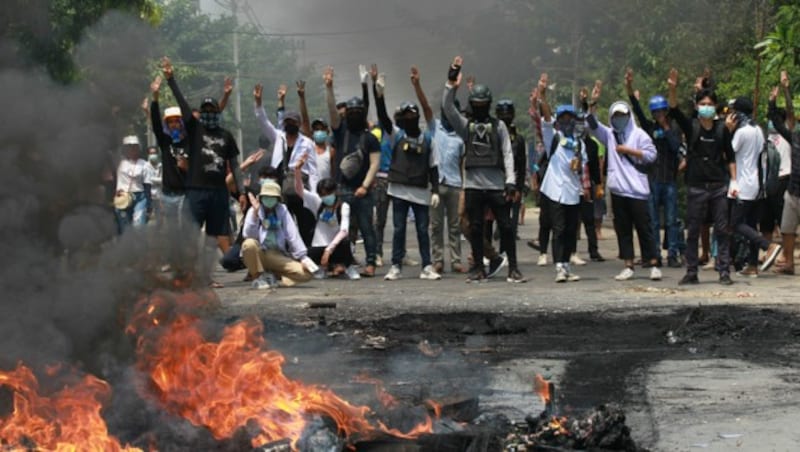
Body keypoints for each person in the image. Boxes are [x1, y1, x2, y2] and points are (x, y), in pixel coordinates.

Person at [442, 56, 524, 283]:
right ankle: (478, 268)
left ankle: (513, 268)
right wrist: (451, 80)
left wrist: (510, 181)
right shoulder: (465, 126)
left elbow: (507, 153)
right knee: (476, 228)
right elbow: (448, 108)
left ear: (489, 104)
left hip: (497, 184)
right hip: (473, 186)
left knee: (506, 227)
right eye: (475, 105)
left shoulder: (498, 126)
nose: (479, 109)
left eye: (482, 105)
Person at [163, 57, 246, 262]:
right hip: (196, 190)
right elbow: (183, 104)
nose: (209, 114)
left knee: (213, 236)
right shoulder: (195, 130)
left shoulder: (226, 135)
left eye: (212, 111)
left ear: (218, 113)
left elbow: (234, 164)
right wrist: (171, 79)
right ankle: (187, 272)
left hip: (218, 192)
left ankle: (206, 276)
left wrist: (241, 191)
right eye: (205, 111)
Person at [587, 80, 661, 281]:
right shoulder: (609, 135)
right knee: (623, 230)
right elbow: (591, 124)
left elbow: (651, 155)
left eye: (622, 116)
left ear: (629, 116)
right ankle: (628, 264)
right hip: (618, 191)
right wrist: (593, 102)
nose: (619, 119)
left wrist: (629, 151)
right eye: (616, 116)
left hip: (637, 190)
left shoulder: (639, 134)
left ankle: (653, 262)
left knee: (645, 229)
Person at [668, 68, 735, 285]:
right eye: (702, 104)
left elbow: (731, 157)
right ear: (697, 107)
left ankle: (724, 270)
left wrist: (733, 182)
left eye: (709, 104)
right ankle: (691, 271)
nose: (706, 108)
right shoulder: (692, 127)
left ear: (715, 107)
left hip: (718, 186)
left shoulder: (721, 130)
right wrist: (672, 88)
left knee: (722, 230)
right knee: (693, 230)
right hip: (696, 186)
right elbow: (674, 110)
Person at [376, 66, 442, 281]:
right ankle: (395, 265)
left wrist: (436, 191)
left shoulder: (427, 139)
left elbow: (433, 165)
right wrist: (379, 96)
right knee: (398, 230)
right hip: (399, 189)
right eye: (407, 115)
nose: (410, 118)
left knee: (423, 230)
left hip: (421, 191)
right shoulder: (397, 135)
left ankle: (427, 265)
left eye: (413, 114)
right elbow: (384, 119)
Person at [324, 65, 381, 277]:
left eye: (358, 111)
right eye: (352, 112)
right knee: (341, 230)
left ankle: (371, 263)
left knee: (367, 229)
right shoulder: (340, 132)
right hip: (343, 188)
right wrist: (328, 88)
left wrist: (365, 186)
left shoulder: (370, 137)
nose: (355, 114)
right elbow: (332, 113)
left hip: (363, 191)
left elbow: (375, 164)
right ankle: (341, 262)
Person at [625, 68, 684, 268]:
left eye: (662, 111)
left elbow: (676, 147)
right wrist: (630, 89)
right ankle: (655, 254)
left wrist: (666, 129)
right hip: (653, 179)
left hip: (670, 180)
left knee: (671, 221)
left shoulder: (673, 128)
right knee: (653, 222)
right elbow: (637, 110)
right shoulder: (649, 128)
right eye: (656, 112)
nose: (659, 115)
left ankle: (673, 254)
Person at [254, 83, 318, 247]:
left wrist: (314, 193)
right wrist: (258, 102)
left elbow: (313, 170)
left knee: (306, 225)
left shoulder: (307, 143)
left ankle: (308, 256)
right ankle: (286, 255)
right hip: (280, 188)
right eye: (287, 121)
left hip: (300, 188)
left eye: (293, 122)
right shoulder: (278, 137)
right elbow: (263, 122)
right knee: (283, 225)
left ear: (298, 124)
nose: (290, 124)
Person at [726, 97, 783, 276]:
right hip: (757, 183)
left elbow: (728, 153)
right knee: (750, 223)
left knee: (735, 224)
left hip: (743, 184)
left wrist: (728, 132)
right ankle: (752, 265)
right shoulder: (757, 129)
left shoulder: (742, 133)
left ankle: (769, 246)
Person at [537, 78, 586, 282]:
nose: (567, 122)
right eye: (563, 118)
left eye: (570, 118)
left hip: (573, 192)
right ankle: (558, 266)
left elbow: (582, 167)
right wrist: (542, 96)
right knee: (558, 229)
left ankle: (566, 264)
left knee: (569, 230)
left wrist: (579, 165)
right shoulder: (554, 138)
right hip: (556, 191)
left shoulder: (579, 144)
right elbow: (546, 120)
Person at [242, 181, 316, 289]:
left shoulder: (282, 210)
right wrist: (255, 214)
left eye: (273, 197)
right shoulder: (254, 210)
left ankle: (275, 276)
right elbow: (247, 235)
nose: (269, 199)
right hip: (260, 252)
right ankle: (257, 277)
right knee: (248, 244)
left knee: (307, 273)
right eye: (266, 197)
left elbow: (293, 235)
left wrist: (303, 258)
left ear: (278, 199)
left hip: (276, 254)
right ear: (261, 197)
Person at [293, 159, 359, 280]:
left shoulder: (343, 206)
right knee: (306, 254)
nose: (325, 197)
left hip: (336, 247)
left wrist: (329, 250)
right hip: (319, 246)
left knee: (345, 243)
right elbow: (300, 191)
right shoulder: (318, 204)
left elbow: (344, 231)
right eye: (322, 194)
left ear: (334, 192)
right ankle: (321, 268)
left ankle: (348, 267)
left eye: (327, 193)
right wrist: (297, 171)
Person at [768, 70, 800, 276]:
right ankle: (789, 263)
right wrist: (777, 98)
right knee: (787, 229)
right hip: (793, 190)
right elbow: (784, 118)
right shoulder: (795, 136)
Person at [431, 97, 467, 274]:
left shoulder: (461, 136)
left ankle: (456, 260)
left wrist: (463, 190)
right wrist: (417, 86)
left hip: (454, 184)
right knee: (436, 225)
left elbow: (461, 163)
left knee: (454, 226)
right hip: (436, 185)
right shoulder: (434, 127)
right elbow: (424, 108)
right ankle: (437, 260)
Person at [149, 75, 190, 226]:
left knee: (183, 229)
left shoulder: (189, 142)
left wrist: (187, 167)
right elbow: (155, 124)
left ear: (181, 123)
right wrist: (155, 98)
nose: (174, 125)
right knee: (171, 232)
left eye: (176, 121)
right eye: (170, 122)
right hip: (167, 195)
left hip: (184, 195)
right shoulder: (165, 141)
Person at [495, 99, 528, 244]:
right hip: (497, 180)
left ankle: (512, 233)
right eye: (502, 114)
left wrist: (519, 187)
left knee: (514, 212)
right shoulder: (494, 136)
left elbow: (521, 165)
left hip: (513, 180)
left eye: (507, 113)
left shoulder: (518, 139)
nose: (505, 116)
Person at [114, 135, 151, 232]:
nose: (132, 149)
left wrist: (149, 204)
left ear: (139, 148)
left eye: (135, 146)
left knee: (138, 225)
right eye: (129, 147)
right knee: (124, 226)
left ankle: (138, 246)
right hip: (122, 197)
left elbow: (147, 185)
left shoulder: (144, 164)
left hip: (140, 198)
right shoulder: (118, 162)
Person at [144, 146, 162, 223]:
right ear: (148, 154)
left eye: (154, 153)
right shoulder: (145, 166)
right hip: (149, 196)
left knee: (160, 218)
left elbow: (163, 180)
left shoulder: (160, 165)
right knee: (148, 217)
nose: (153, 155)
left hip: (160, 195)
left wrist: (152, 179)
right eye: (151, 153)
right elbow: (147, 183)